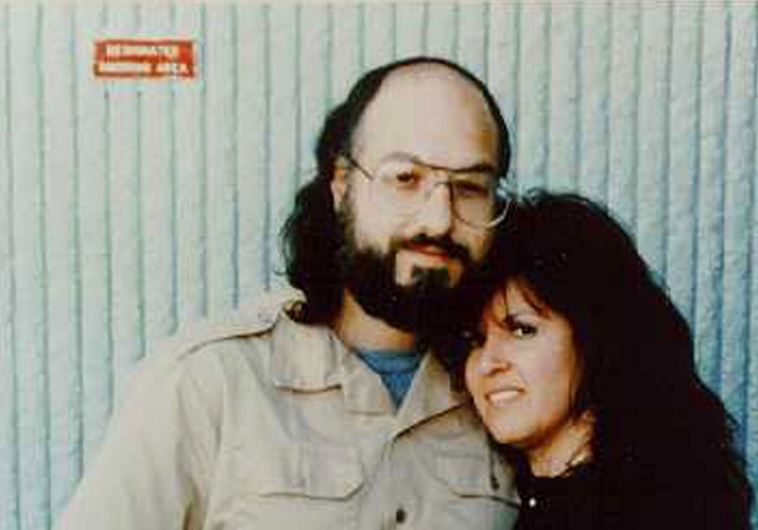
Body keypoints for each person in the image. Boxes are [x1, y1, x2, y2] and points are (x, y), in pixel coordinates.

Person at [55, 57, 520, 529]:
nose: (438, 219)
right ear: (341, 184)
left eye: (469, 187)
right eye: (405, 178)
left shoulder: (511, 398)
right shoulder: (210, 383)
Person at [452, 190, 754, 529]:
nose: (487, 363)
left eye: (522, 330)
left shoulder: (650, 509)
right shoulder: (523, 498)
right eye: (475, 340)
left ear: (596, 337)